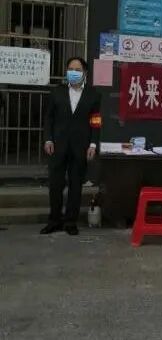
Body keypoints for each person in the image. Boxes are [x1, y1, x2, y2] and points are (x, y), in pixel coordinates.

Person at [41, 57, 102, 236]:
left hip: (80, 146)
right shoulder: (57, 92)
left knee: (76, 186)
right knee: (55, 185)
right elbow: (49, 118)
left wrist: (93, 144)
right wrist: (48, 139)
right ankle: (54, 220)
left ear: (85, 73)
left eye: (77, 69)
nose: (73, 72)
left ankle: (70, 222)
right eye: (70, 69)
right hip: (57, 146)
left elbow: (96, 121)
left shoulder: (94, 95)